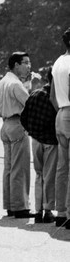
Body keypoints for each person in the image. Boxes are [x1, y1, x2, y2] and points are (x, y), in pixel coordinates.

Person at [0, 52, 34, 218]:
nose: (28, 66)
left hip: (5, 125)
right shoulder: (16, 84)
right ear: (16, 65)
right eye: (25, 63)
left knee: (9, 168)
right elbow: (30, 104)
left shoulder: (2, 82)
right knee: (20, 168)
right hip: (17, 124)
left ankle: (11, 205)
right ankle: (20, 206)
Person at [20, 68, 57, 223]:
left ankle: (37, 210)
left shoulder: (35, 94)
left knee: (39, 175)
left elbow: (24, 118)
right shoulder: (57, 99)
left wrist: (32, 132)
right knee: (49, 176)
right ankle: (47, 210)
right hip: (51, 142)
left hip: (35, 140)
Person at [51, 28, 70, 228]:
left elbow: (52, 96)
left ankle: (61, 212)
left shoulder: (58, 62)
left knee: (62, 167)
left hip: (61, 113)